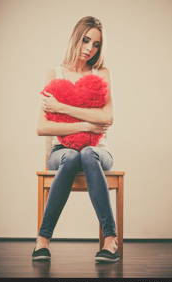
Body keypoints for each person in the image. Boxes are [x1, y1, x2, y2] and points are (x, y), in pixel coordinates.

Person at [32, 16, 120, 263]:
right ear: (76, 37)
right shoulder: (55, 73)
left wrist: (62, 107)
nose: (89, 49)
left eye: (96, 45)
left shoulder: (101, 72)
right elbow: (42, 127)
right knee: (72, 155)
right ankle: (43, 240)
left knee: (87, 153)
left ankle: (110, 240)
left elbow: (108, 117)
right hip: (62, 152)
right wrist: (87, 123)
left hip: (98, 150)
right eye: (86, 40)